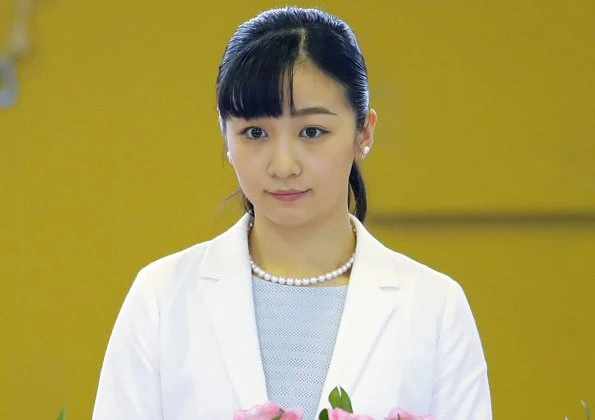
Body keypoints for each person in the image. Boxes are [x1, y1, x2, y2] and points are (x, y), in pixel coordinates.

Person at [92, 6, 492, 420]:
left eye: (312, 132)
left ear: (364, 132)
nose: (283, 165)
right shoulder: (160, 298)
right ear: (225, 136)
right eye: (255, 133)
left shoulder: (435, 307)